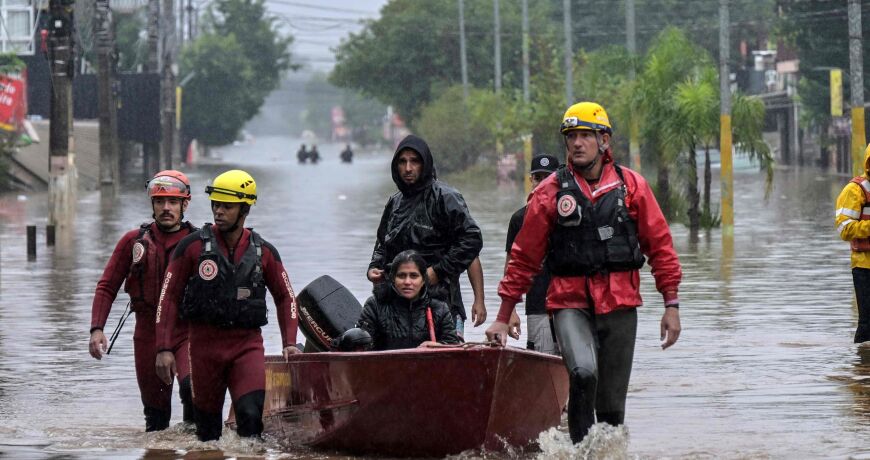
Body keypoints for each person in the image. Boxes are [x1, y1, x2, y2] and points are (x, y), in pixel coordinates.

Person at [486, 102, 682, 444]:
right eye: (571, 137)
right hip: (569, 301)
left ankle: (604, 451)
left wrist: (671, 304)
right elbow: (523, 258)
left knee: (611, 409)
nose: (576, 143)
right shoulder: (549, 192)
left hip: (620, 303)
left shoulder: (631, 187)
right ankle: (577, 451)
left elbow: (661, 247)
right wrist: (504, 314)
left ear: (603, 140)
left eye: (585, 136)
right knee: (583, 371)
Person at [154, 169, 301, 442]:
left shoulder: (264, 252)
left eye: (226, 206)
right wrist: (163, 348)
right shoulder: (191, 248)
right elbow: (169, 297)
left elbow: (286, 298)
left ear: (244, 209)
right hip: (203, 349)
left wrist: (289, 342)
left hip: (246, 346)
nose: (218, 211)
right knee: (207, 434)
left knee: (250, 418)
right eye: (215, 205)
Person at [88, 170, 197, 431]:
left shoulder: (200, 244)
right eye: (160, 202)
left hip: (187, 332)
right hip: (147, 332)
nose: (166, 208)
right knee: (156, 421)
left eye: (172, 201)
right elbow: (107, 286)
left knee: (193, 393)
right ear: (152, 205)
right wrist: (97, 329)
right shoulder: (132, 242)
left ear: (185, 204)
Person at [367, 134, 484, 337]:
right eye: (402, 162)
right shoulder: (394, 203)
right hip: (397, 305)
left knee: (447, 359)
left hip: (443, 300)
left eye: (414, 161)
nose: (408, 168)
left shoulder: (445, 198)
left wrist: (437, 271)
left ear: (425, 164)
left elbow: (471, 241)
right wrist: (373, 268)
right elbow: (381, 244)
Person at [504, 153, 561, 355]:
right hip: (537, 305)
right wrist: (510, 310)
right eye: (538, 178)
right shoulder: (519, 218)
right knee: (542, 361)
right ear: (531, 180)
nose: (542, 183)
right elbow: (512, 266)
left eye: (548, 177)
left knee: (577, 365)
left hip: (570, 304)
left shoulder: (570, 215)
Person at [358, 250, 461, 350]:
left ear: (423, 280)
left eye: (414, 276)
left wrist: (438, 346)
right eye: (401, 276)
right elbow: (361, 347)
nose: (407, 282)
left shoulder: (439, 308)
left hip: (428, 365)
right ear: (393, 279)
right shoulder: (374, 305)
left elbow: (453, 346)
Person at [835, 143, 870, 344]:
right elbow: (844, 229)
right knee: (867, 324)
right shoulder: (855, 190)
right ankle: (861, 368)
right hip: (865, 266)